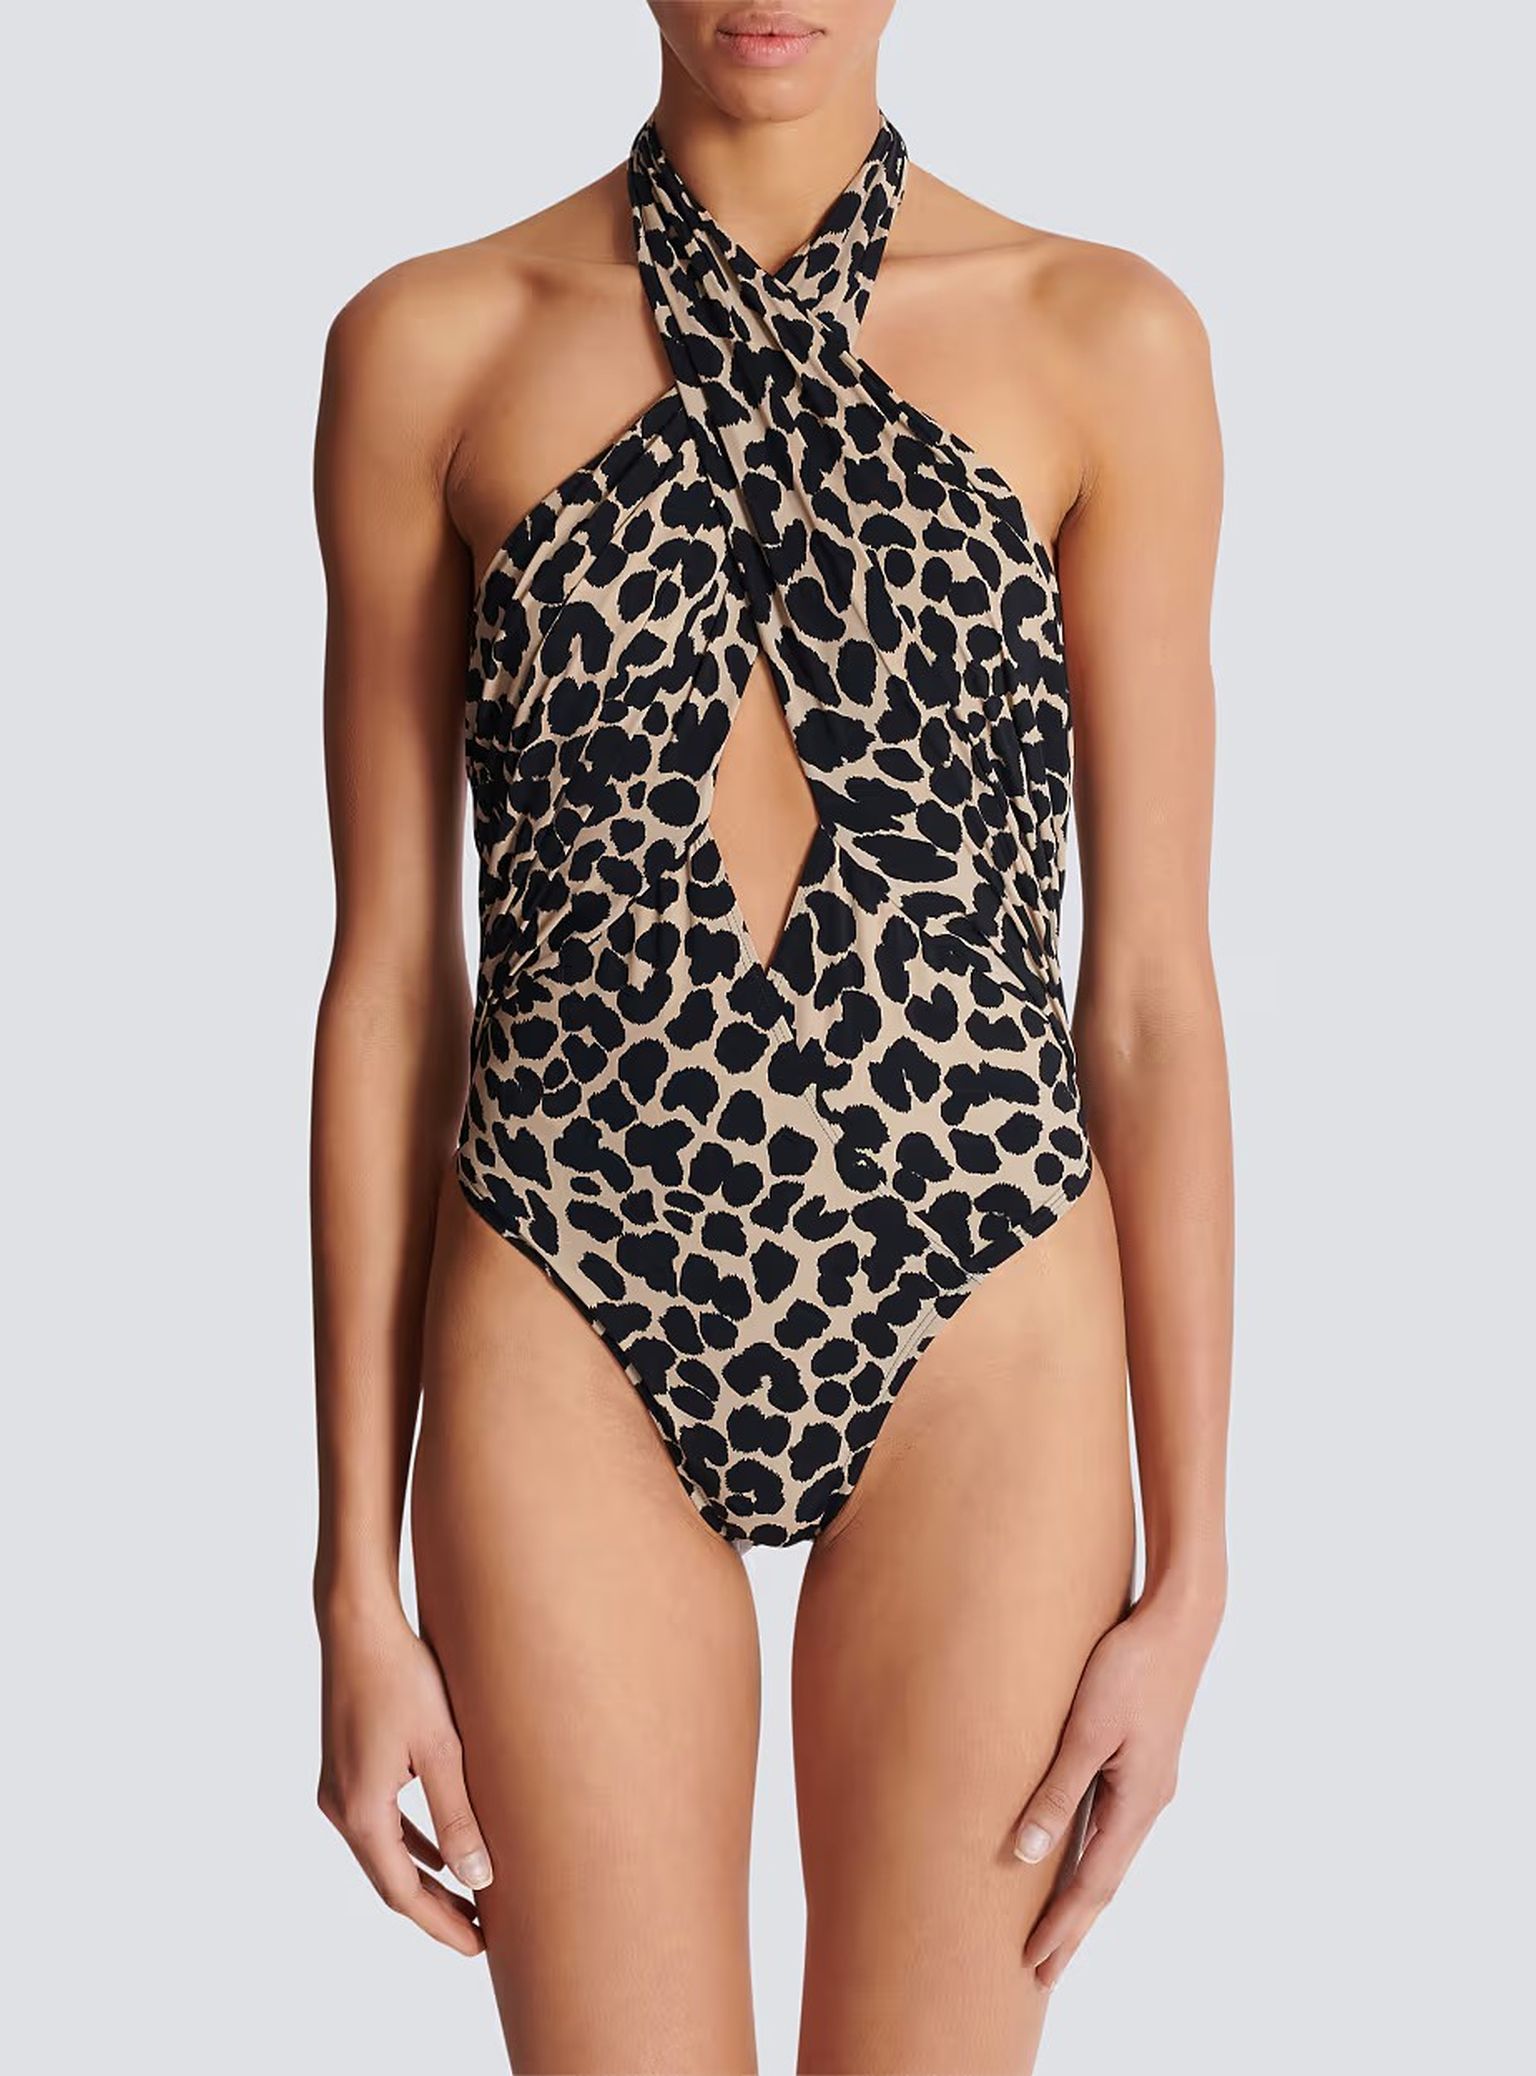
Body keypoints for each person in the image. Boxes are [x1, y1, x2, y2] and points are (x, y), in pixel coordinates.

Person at [310, 3, 1232, 2068]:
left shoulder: (1104, 341)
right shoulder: (431, 348)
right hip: (565, 1296)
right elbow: (388, 984)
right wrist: (352, 1581)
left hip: (984, 1306)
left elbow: (1155, 996)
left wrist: (1193, 1578)